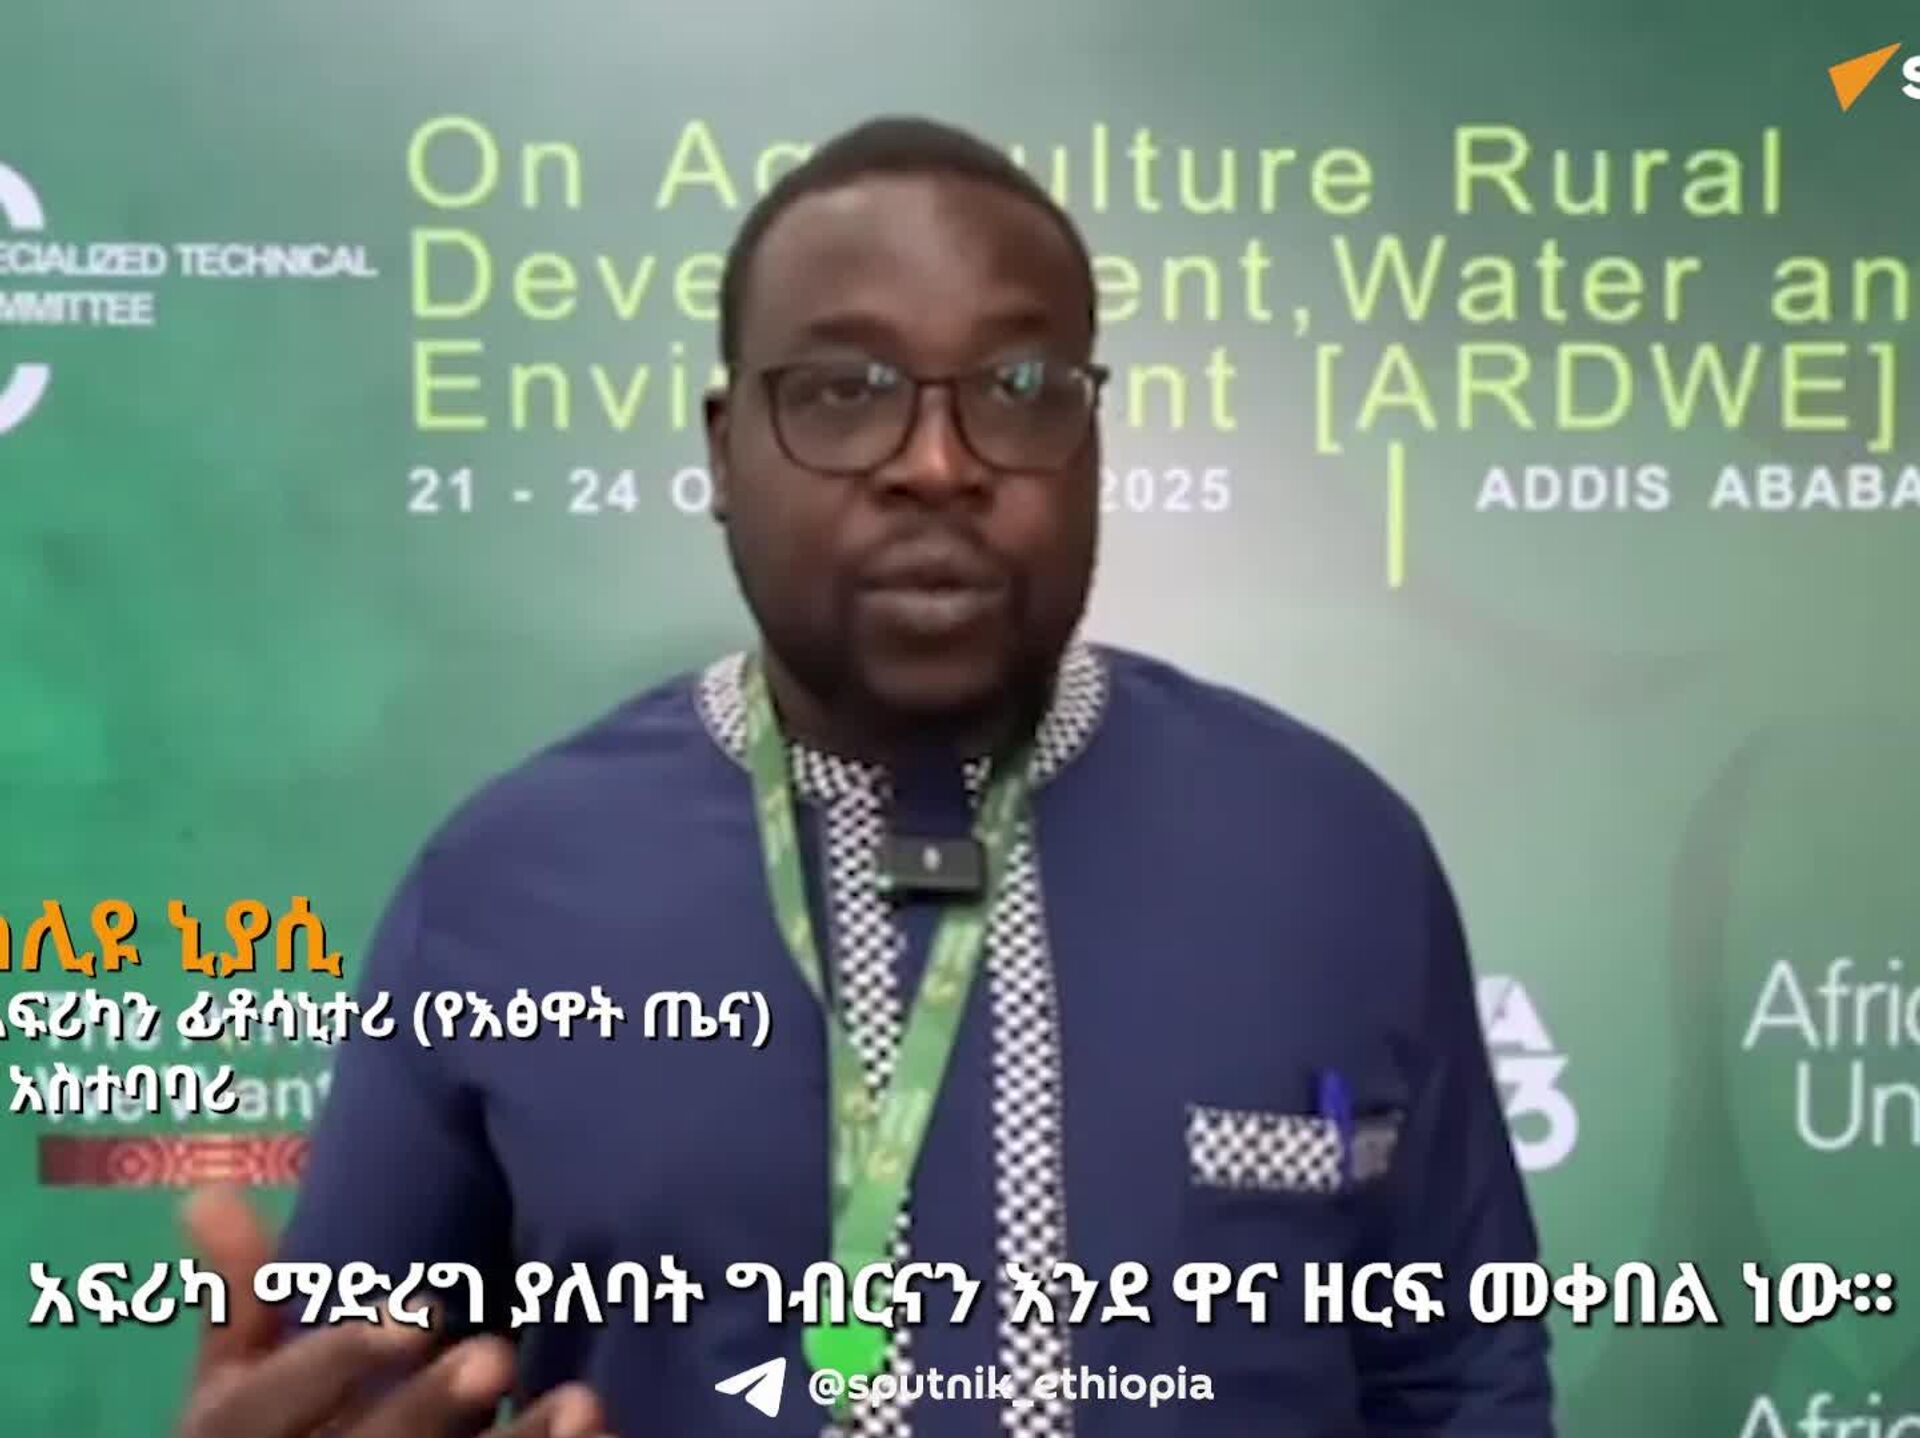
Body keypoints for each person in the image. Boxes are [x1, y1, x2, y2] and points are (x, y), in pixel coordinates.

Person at [175, 114, 1553, 1438]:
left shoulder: (1331, 854)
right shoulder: (503, 887)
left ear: (1093, 441)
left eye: (1020, 389)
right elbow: (360, 1392)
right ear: (724, 450)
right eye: (844, 392)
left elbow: (1459, 1377)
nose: (937, 465)